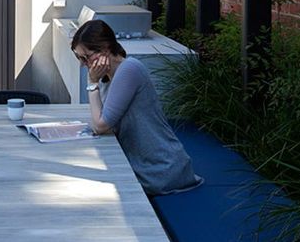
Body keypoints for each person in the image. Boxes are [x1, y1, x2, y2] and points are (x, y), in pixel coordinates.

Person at [71, 18, 202, 197]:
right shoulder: (108, 75)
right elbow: (100, 120)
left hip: (160, 168)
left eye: (86, 57)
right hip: (142, 162)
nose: (83, 64)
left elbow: (100, 125)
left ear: (105, 49)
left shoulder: (129, 70)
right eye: (79, 58)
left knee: (91, 187)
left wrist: (91, 83)